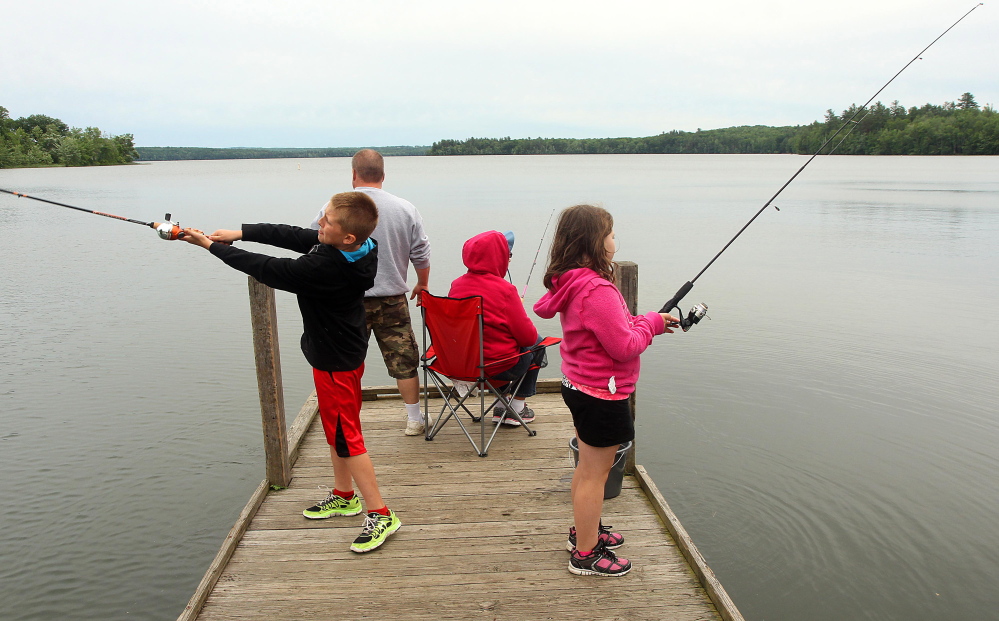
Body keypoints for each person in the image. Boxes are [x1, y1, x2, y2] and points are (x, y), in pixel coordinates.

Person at [182, 192, 401, 554]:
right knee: (336, 428)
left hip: (337, 363)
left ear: (347, 237)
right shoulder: (362, 245)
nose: (320, 224)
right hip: (336, 353)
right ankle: (345, 496)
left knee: (347, 437)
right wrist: (239, 232)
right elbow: (291, 235)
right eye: (324, 216)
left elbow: (269, 268)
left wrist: (209, 246)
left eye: (327, 221)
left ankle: (381, 513)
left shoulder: (327, 269)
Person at [533, 204, 680, 577]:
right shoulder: (595, 288)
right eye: (611, 234)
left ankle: (584, 529)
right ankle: (585, 554)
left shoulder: (573, 281)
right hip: (602, 394)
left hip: (580, 385)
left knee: (587, 468)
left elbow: (613, 328)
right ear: (592, 243)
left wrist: (647, 319)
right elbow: (624, 346)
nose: (616, 240)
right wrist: (652, 326)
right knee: (595, 475)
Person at [312, 149, 431, 436]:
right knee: (404, 360)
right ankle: (414, 419)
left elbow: (315, 243)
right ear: (383, 175)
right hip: (392, 298)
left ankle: (349, 421)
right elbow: (421, 251)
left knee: (347, 362)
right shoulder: (405, 208)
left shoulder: (334, 207)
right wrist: (422, 283)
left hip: (348, 300)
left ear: (354, 175)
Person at [448, 230, 542, 425]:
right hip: (498, 369)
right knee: (538, 344)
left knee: (492, 347)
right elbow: (528, 338)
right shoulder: (505, 290)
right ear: (499, 257)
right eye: (508, 255)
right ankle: (516, 408)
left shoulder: (456, 286)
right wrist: (517, 310)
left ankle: (502, 404)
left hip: (460, 367)